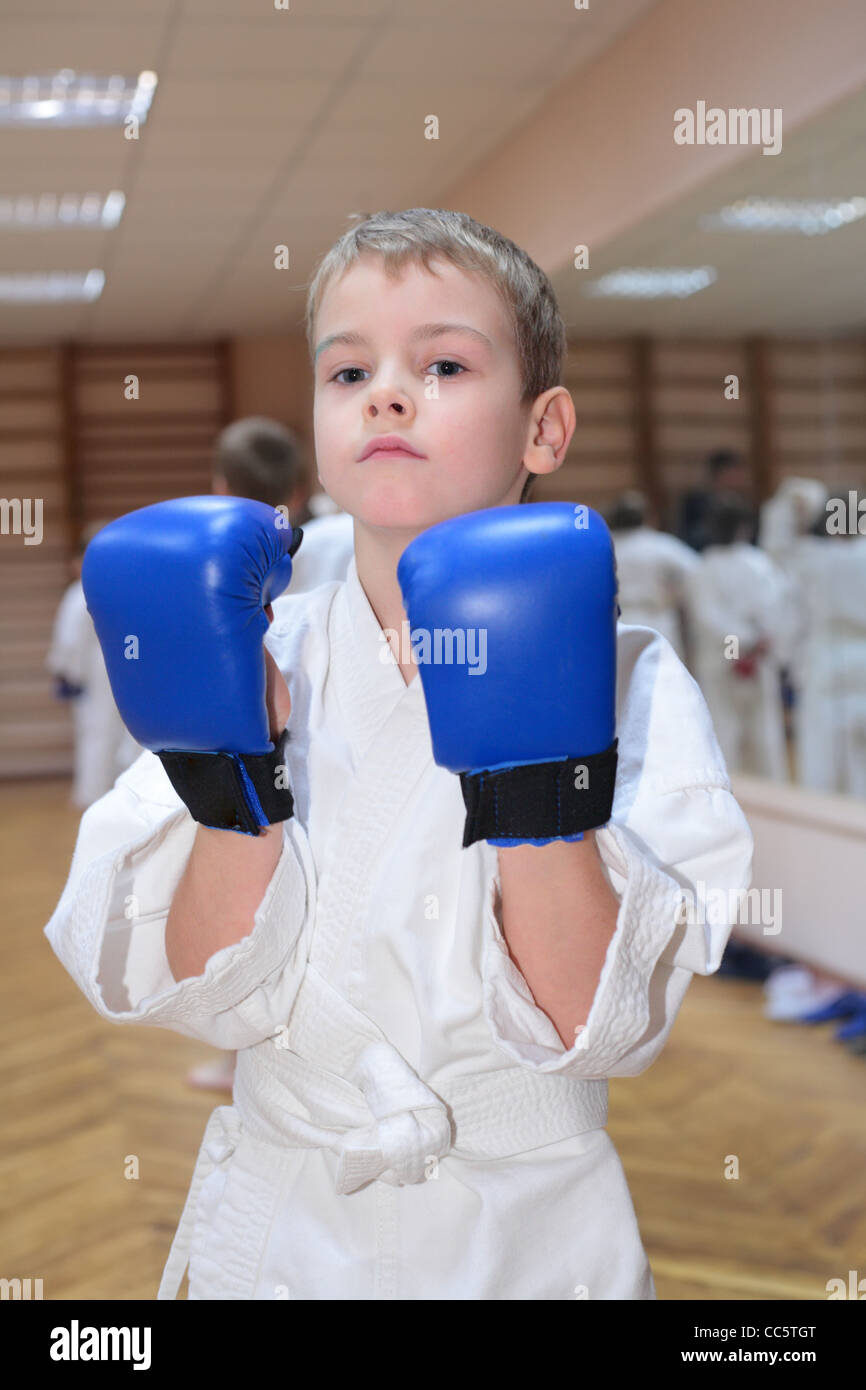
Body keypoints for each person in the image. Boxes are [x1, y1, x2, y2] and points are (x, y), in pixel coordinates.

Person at [44, 207, 752, 1301]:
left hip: (525, 1229)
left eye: (444, 363)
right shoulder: (255, 653)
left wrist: (532, 783)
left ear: (543, 428)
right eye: (346, 372)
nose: (385, 391)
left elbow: (594, 1026)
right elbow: (201, 997)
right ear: (320, 426)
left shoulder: (628, 681)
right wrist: (235, 769)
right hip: (291, 1224)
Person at [685, 495, 796, 781]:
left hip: (724, 651)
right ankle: (774, 789)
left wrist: (739, 645)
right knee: (763, 727)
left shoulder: (702, 567)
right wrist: (757, 644)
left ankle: (731, 791)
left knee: (725, 725)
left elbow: (706, 616)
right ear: (744, 528)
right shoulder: (759, 564)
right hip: (756, 653)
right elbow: (778, 606)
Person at [45, 525, 141, 809]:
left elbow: (71, 639)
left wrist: (66, 673)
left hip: (94, 669)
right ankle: (123, 796)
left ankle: (93, 797)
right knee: (126, 733)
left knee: (97, 733)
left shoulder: (80, 591)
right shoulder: (125, 587)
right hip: (126, 665)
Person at [607, 490, 698, 660]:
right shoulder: (662, 545)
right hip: (658, 621)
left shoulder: (604, 547)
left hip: (617, 624)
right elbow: (696, 575)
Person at [677, 448, 757, 552]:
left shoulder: (745, 504)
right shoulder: (695, 503)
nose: (736, 479)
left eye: (737, 474)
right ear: (716, 475)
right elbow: (686, 535)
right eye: (730, 474)